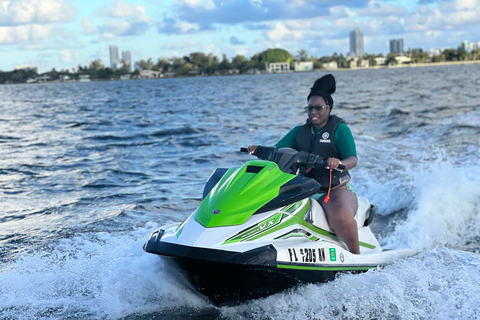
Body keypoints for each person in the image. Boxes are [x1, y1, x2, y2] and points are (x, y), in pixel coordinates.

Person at [247, 74, 360, 254]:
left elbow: (352, 159)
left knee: (341, 217)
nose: (313, 112)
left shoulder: (340, 130)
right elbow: (277, 151)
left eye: (318, 108)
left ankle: (356, 256)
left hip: (334, 190)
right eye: (310, 108)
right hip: (303, 189)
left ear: (328, 108)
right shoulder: (299, 132)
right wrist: (259, 150)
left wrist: (338, 163)